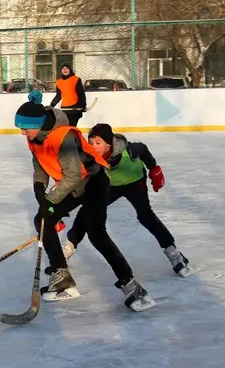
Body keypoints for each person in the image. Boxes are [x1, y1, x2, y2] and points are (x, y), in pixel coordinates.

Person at [16, 90, 155, 311]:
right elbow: (39, 167)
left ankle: (132, 287)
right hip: (73, 185)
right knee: (43, 220)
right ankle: (63, 281)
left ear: (38, 124)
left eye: (25, 128)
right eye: (20, 128)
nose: (23, 133)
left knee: (96, 235)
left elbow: (74, 175)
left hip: (93, 182)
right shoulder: (36, 138)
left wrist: (51, 201)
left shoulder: (64, 138)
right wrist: (39, 189)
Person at [58, 123, 193, 277]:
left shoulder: (130, 150)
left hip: (135, 182)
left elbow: (143, 148)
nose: (94, 147)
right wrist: (61, 209)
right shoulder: (90, 157)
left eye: (98, 143)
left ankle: (174, 254)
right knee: (87, 211)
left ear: (108, 143)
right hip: (111, 186)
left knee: (146, 216)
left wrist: (154, 168)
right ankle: (69, 247)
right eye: (91, 142)